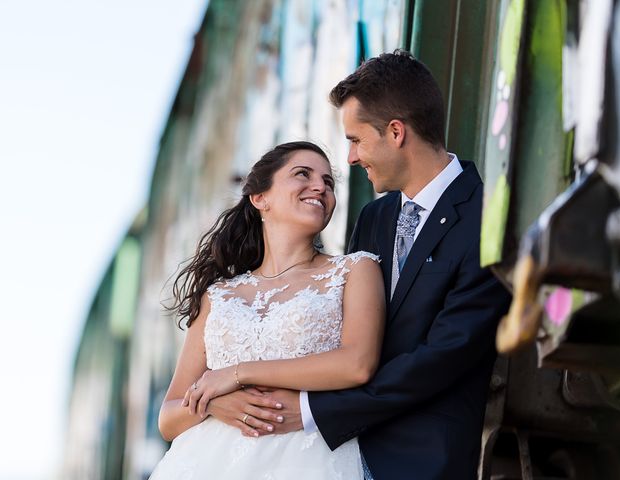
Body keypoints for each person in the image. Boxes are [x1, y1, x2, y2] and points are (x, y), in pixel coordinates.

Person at [208, 50, 512, 479]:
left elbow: (445, 356)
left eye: (355, 139)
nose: (350, 158)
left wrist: (314, 410)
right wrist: (228, 396)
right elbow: (329, 337)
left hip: (420, 461)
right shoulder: (375, 219)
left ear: (395, 132)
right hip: (326, 458)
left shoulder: (486, 216)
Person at [149, 141, 385, 479]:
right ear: (260, 198)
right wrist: (215, 405)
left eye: (328, 182)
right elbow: (169, 418)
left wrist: (237, 374)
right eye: (302, 174)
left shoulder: (355, 270)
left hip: (305, 460)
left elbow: (357, 365)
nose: (320, 186)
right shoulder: (219, 295)